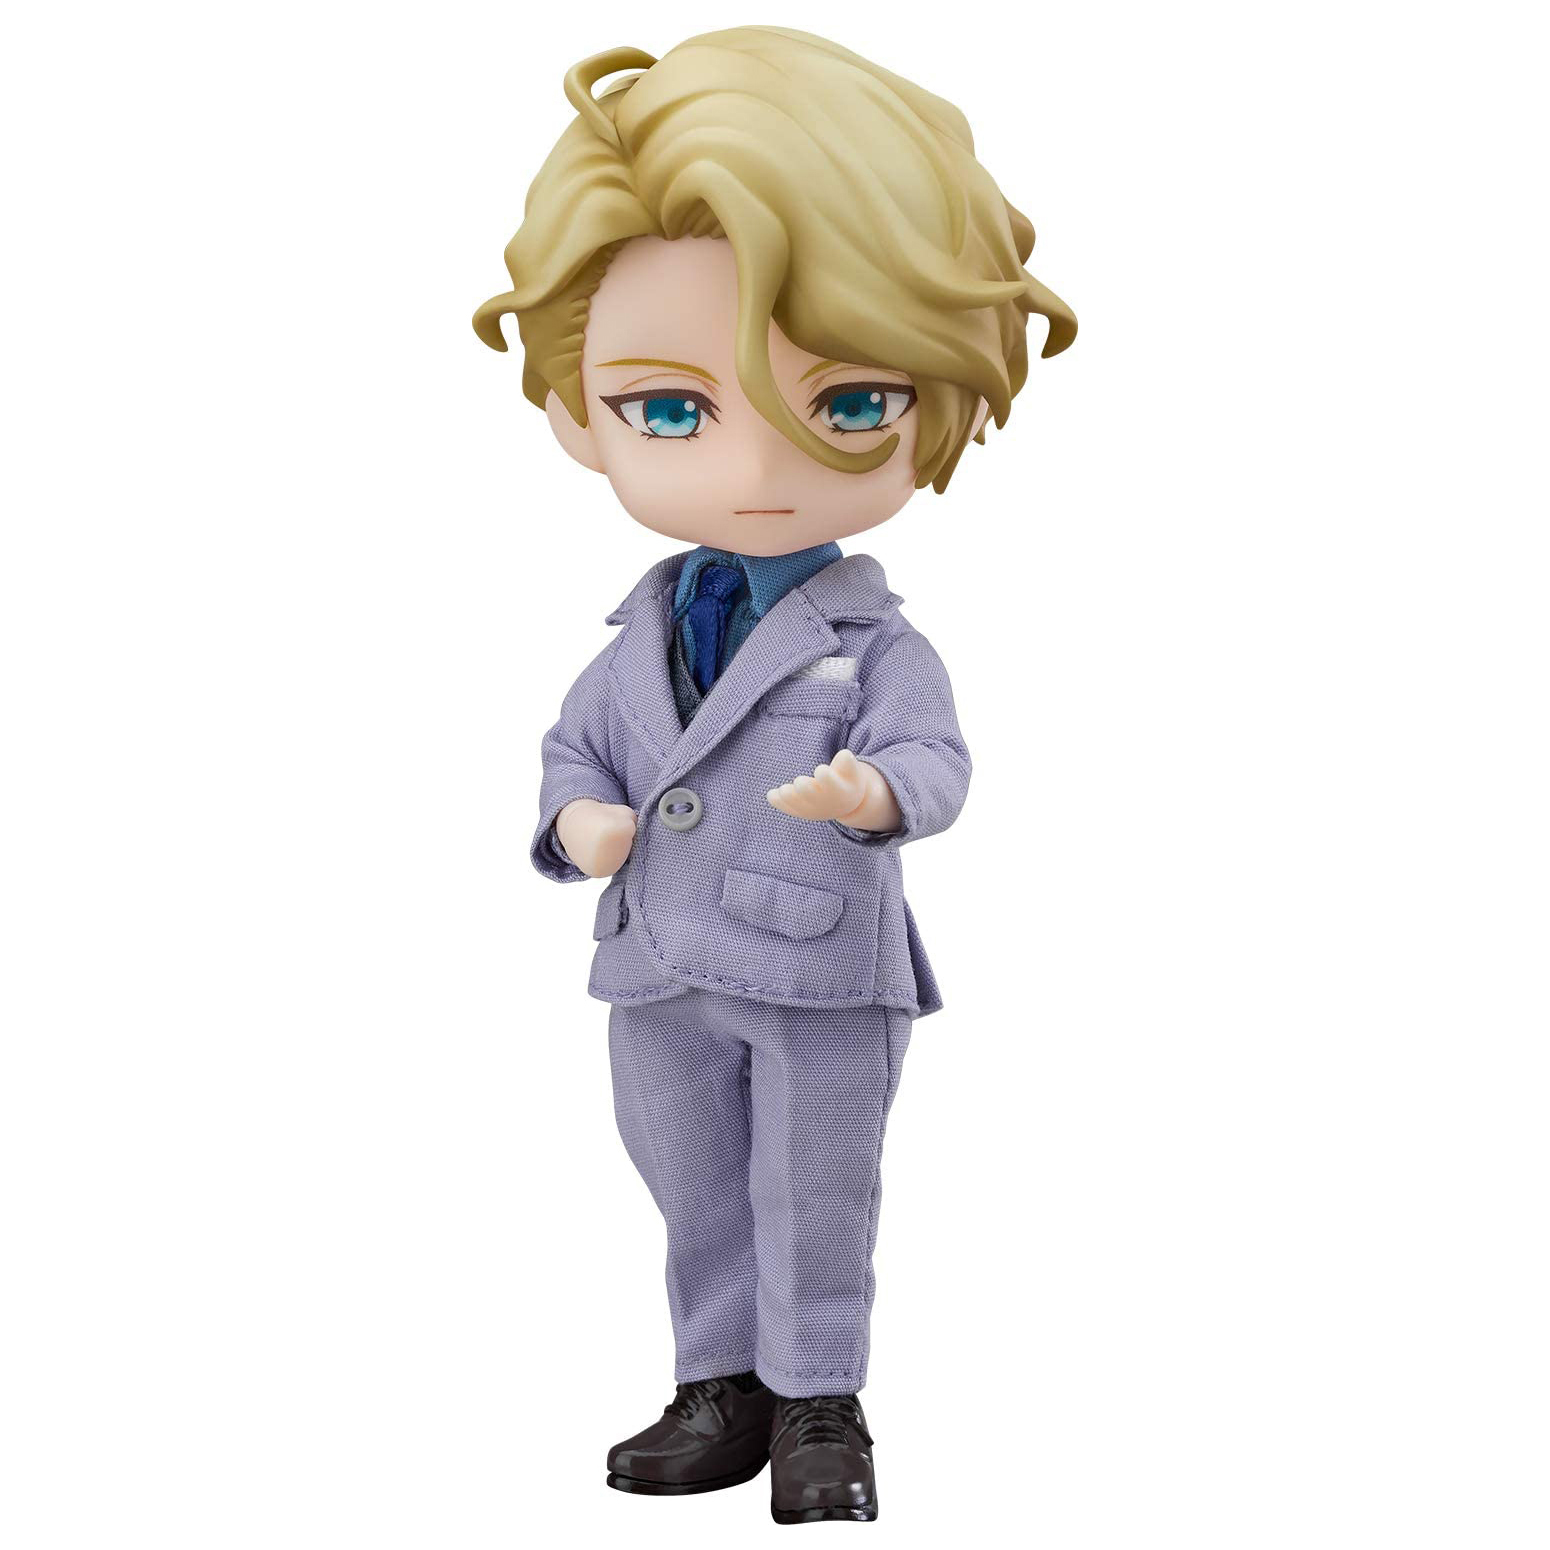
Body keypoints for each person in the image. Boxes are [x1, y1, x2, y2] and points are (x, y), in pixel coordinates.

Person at [474, 26, 1074, 1524]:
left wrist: (878, 796)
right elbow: (577, 749)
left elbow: (936, 755)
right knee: (687, 1181)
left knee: (814, 1191)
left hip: (816, 967)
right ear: (577, 412)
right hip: (658, 965)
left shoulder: (871, 640)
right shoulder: (633, 634)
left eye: (851, 402)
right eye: (670, 410)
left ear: (935, 407)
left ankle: (820, 1402)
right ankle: (718, 1381)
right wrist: (576, 822)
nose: (753, 467)